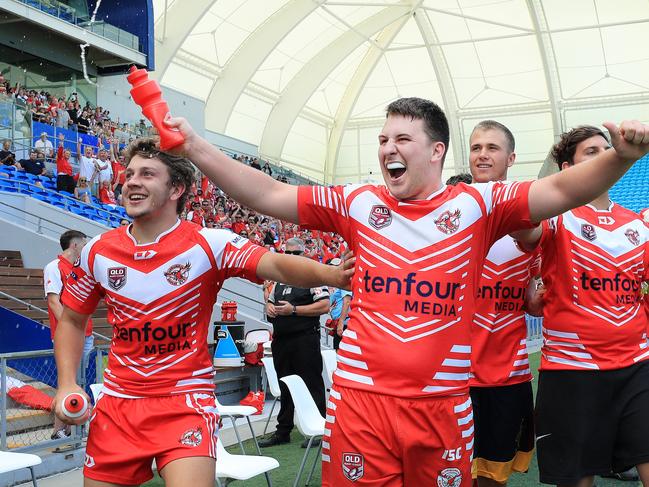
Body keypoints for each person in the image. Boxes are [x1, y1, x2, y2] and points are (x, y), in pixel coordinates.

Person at [165, 99, 649, 486]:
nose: (387, 148)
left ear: (436, 151)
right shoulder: (356, 201)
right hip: (361, 403)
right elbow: (266, 194)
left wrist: (621, 157)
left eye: (402, 138)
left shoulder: (479, 204)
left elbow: (564, 191)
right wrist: (195, 147)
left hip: (442, 406)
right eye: (382, 139)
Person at [52, 137, 354, 487]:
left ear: (176, 188)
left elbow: (277, 265)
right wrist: (66, 383)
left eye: (147, 173)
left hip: (185, 401)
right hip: (119, 404)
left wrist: (333, 276)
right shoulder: (97, 252)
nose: (131, 181)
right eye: (130, 172)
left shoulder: (211, 244)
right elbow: (72, 320)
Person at [521, 126, 649, 487]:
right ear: (566, 168)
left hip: (637, 366)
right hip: (572, 370)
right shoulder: (555, 218)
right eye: (591, 153)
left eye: (607, 150)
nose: (606, 156)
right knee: (577, 479)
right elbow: (522, 230)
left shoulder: (638, 224)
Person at [466, 121, 537, 486]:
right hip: (454, 374)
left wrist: (535, 299)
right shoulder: (453, 213)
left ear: (510, 157)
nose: (482, 154)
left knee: (493, 477)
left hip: (507, 375)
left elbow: (536, 301)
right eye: (476, 147)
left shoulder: (530, 219)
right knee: (449, 471)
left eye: (492, 148)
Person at [259, 238, 330, 448]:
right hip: (282, 339)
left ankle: (319, 429)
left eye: (295, 253)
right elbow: (270, 303)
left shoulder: (313, 277)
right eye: (287, 254)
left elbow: (324, 305)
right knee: (285, 384)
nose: (291, 258)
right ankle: (283, 431)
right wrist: (269, 308)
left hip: (305, 339)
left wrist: (295, 310)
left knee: (312, 383)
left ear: (303, 254)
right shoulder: (278, 281)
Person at [43, 230, 94, 438]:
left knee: (78, 381)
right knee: (68, 381)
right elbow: (54, 302)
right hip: (70, 335)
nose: (86, 248)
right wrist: (71, 329)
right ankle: (59, 431)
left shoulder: (79, 268)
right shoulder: (54, 267)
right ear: (74, 245)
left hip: (86, 333)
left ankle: (73, 430)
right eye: (84, 244)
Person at [327, 257, 352, 350]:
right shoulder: (338, 282)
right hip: (340, 322)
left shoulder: (344, 281)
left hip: (344, 323)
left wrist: (341, 322)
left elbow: (347, 301)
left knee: (339, 353)